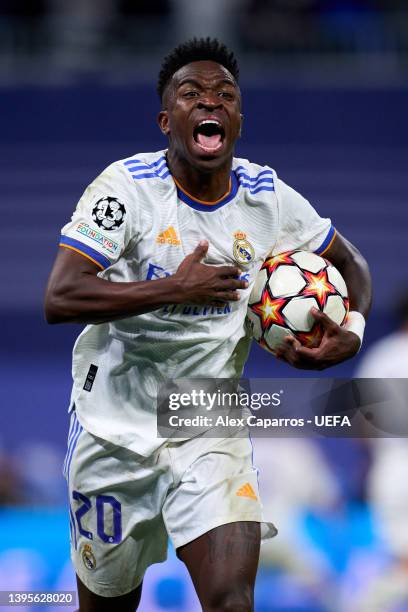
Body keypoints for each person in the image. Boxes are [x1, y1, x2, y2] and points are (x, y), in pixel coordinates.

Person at [44, 37, 372, 612]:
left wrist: (354, 329)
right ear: (166, 120)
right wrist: (175, 288)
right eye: (191, 94)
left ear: (238, 120)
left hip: (208, 420)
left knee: (231, 599)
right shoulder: (127, 189)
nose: (209, 103)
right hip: (112, 427)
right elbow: (60, 295)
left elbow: (353, 264)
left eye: (225, 95)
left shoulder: (268, 197)